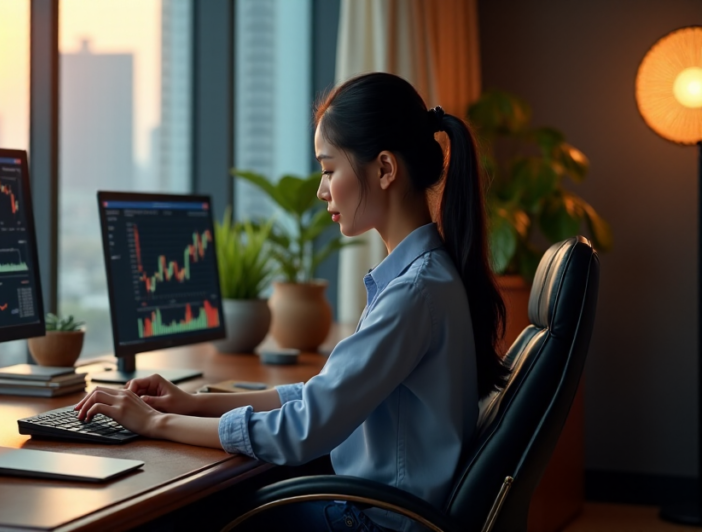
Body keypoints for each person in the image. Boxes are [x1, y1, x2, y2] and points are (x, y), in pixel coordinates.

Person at [75, 72, 509, 532]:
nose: (322, 191)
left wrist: (154, 425)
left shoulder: (413, 293)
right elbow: (317, 398)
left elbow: (304, 430)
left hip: (375, 523)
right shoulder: (421, 277)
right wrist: (191, 404)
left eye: (328, 170)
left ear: (384, 169)